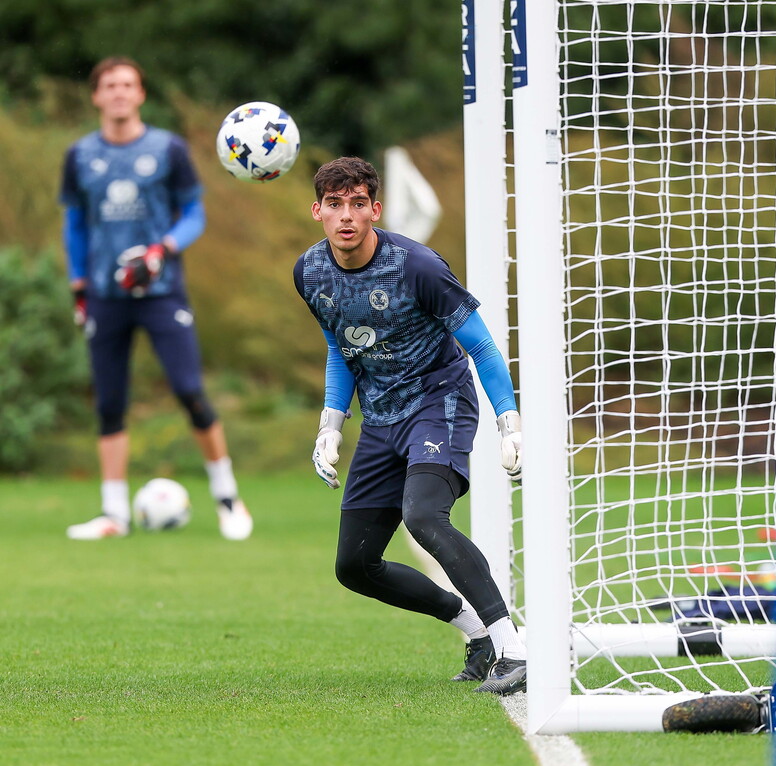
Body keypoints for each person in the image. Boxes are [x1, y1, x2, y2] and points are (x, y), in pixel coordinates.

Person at [293, 157, 526, 695]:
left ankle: (514, 648)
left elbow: (483, 348)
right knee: (354, 565)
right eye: (334, 204)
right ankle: (475, 633)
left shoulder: (417, 266)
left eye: (357, 203)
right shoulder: (309, 271)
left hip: (437, 401)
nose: (345, 216)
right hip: (379, 417)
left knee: (423, 516)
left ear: (376, 209)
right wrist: (331, 424)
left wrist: (508, 423)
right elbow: (339, 345)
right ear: (317, 211)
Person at [59, 56, 252, 541]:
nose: (120, 92)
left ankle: (228, 498)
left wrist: (162, 249)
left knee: (189, 390)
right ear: (97, 96)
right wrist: (78, 283)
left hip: (161, 291)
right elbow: (75, 224)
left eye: (128, 84)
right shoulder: (79, 156)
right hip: (105, 294)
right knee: (109, 402)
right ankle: (114, 514)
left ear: (141, 94)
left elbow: (194, 215)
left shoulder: (168, 149)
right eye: (110, 85)